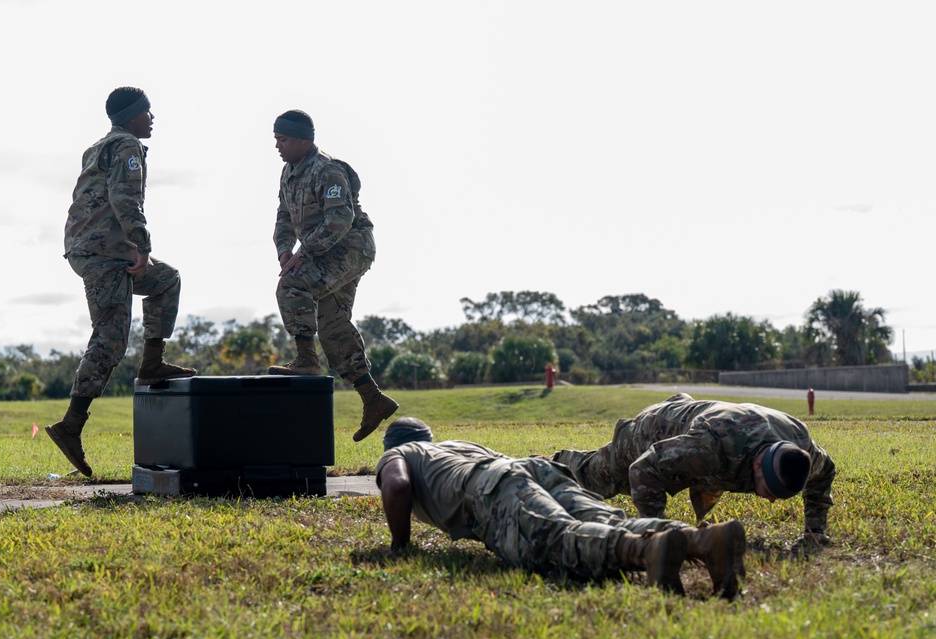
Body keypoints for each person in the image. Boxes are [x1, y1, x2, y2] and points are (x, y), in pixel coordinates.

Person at [377, 417, 748, 599]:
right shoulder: (456, 444)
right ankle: (702, 541)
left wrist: (399, 546)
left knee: (555, 539)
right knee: (604, 517)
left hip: (489, 487)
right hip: (530, 468)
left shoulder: (398, 453)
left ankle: (647, 550)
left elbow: (397, 486)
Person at [45, 87, 196, 477]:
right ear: (131, 116)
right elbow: (125, 199)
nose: (152, 118)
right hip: (105, 253)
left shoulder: (100, 146)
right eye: (147, 111)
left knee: (166, 280)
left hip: (97, 248)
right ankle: (70, 425)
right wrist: (140, 245)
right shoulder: (127, 146)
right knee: (110, 337)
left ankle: (152, 364)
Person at [267, 109, 397, 442]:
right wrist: (284, 249)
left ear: (302, 139)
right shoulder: (289, 173)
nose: (277, 146)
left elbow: (340, 220)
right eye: (276, 139)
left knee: (293, 285)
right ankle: (373, 398)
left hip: (350, 247)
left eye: (282, 139)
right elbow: (284, 217)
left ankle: (307, 360)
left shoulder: (328, 170)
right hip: (325, 251)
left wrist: (303, 254)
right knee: (333, 325)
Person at [552, 393, 836, 542]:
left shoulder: (802, 446)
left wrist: (815, 529)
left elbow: (826, 472)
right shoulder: (711, 447)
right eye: (770, 490)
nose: (772, 500)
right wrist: (656, 529)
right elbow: (643, 467)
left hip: (700, 421)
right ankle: (547, 465)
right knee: (594, 480)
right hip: (655, 429)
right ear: (759, 463)